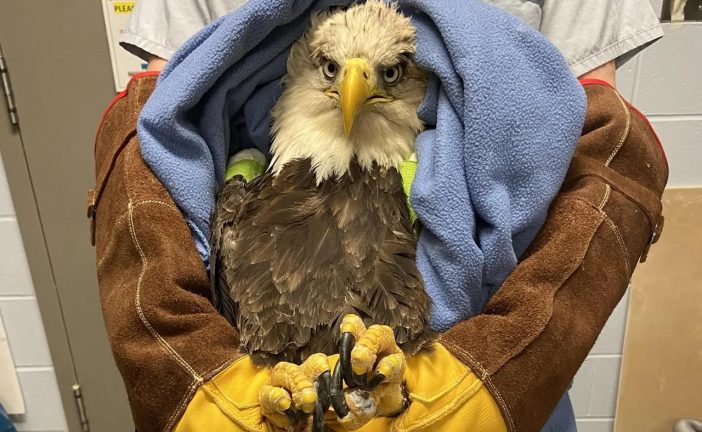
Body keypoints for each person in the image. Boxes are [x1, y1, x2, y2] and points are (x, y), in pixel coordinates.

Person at [89, 1, 668, 431]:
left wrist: (491, 378)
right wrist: (200, 385)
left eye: (384, 73)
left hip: (487, 365)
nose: (353, 87)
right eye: (332, 70)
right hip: (251, 370)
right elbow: (161, 131)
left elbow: (591, 158)